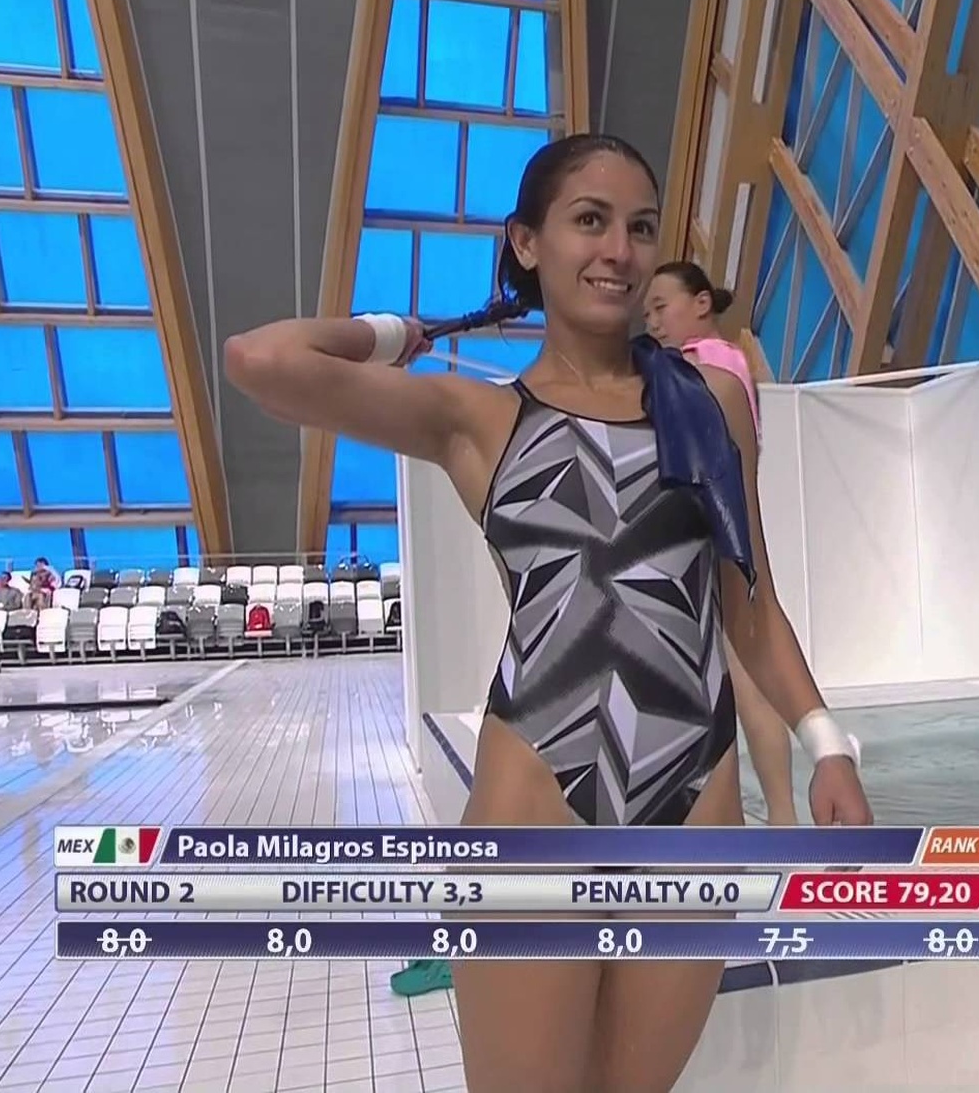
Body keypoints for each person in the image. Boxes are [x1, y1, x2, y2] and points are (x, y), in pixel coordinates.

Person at [225, 132, 873, 1093]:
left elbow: (752, 605)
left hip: (694, 799)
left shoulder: (709, 407)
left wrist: (828, 746)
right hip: (535, 794)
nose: (618, 249)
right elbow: (262, 358)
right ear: (526, 242)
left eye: (640, 228)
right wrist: (406, 332)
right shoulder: (480, 419)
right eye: (589, 221)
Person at [644, 259, 800, 826]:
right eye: (648, 313)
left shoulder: (706, 364)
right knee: (744, 683)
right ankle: (781, 817)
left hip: (708, 544)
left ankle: (780, 817)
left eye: (661, 308)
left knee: (744, 685)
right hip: (718, 540)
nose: (653, 322)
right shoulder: (724, 364)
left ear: (701, 304)